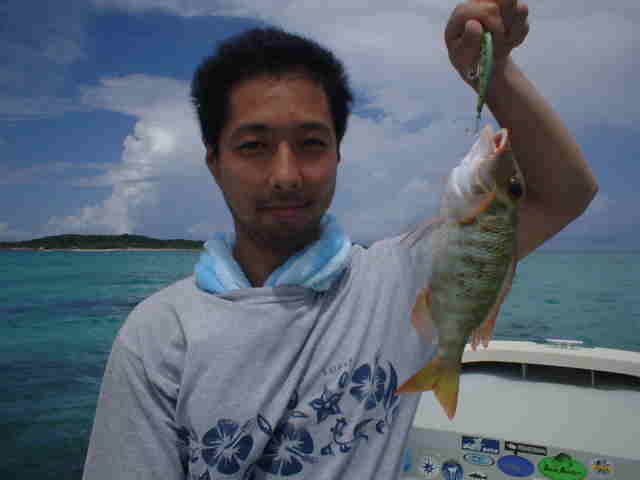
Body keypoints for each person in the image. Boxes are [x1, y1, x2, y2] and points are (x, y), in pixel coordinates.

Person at [82, 1, 598, 479]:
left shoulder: (398, 279)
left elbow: (567, 193)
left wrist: (494, 73)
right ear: (215, 163)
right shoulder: (158, 337)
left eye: (311, 144)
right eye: (254, 146)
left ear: (338, 156)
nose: (286, 176)